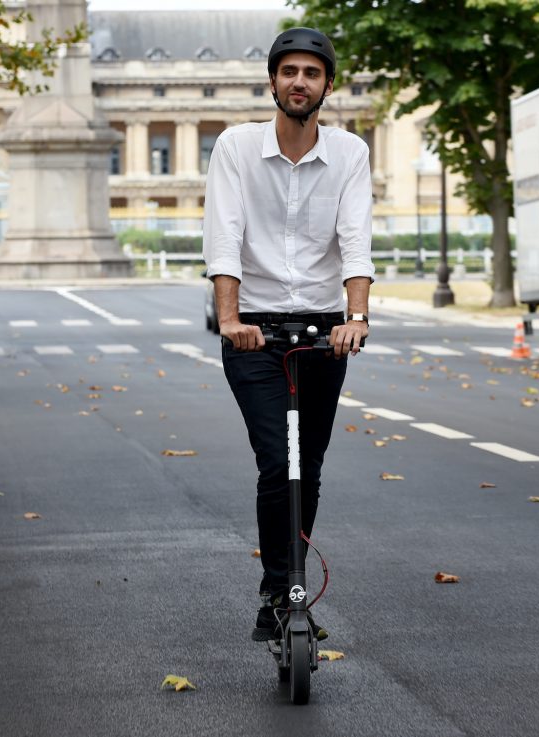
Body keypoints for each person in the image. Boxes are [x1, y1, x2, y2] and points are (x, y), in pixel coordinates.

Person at [202, 27, 375, 642]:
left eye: (312, 73)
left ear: (327, 85)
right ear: (273, 81)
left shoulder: (350, 153)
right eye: (289, 71)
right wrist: (230, 320)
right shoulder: (236, 147)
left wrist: (356, 319)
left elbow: (356, 240)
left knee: (310, 465)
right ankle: (279, 591)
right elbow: (224, 236)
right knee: (280, 460)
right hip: (254, 330)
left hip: (324, 333)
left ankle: (286, 593)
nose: (300, 82)